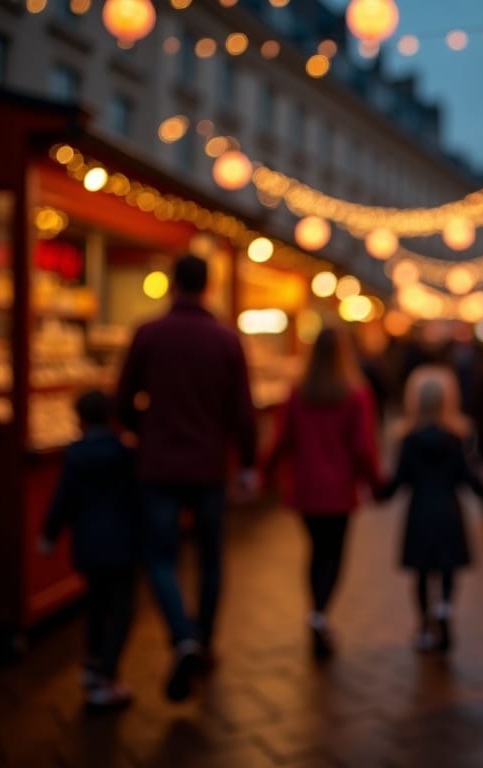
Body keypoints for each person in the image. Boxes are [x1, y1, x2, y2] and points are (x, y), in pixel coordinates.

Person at [115, 254, 258, 701]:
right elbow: (243, 412)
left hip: (158, 466)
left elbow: (121, 400)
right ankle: (204, 642)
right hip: (209, 466)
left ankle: (182, 638)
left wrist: (146, 433)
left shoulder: (149, 334)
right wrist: (249, 464)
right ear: (209, 287)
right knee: (211, 558)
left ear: (173, 284)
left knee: (160, 558)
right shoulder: (225, 340)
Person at [263, 327, 380, 661]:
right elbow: (362, 448)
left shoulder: (299, 393)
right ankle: (320, 613)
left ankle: (316, 611)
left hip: (306, 489)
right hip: (339, 490)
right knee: (334, 553)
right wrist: (374, 483)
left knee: (315, 551)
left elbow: (282, 440)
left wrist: (265, 474)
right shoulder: (356, 394)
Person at [38, 390, 138, 710]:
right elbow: (138, 499)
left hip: (88, 546)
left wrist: (49, 536)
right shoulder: (125, 454)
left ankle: (92, 667)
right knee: (121, 612)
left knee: (95, 608)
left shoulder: (75, 455)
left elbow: (62, 500)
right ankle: (107, 675)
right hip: (122, 545)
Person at [379, 377, 483, 653]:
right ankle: (444, 611)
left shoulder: (408, 440)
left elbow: (398, 481)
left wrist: (379, 492)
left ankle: (424, 625)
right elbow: (466, 477)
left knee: (421, 573)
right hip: (449, 512)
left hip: (419, 513)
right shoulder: (456, 439)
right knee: (447, 571)